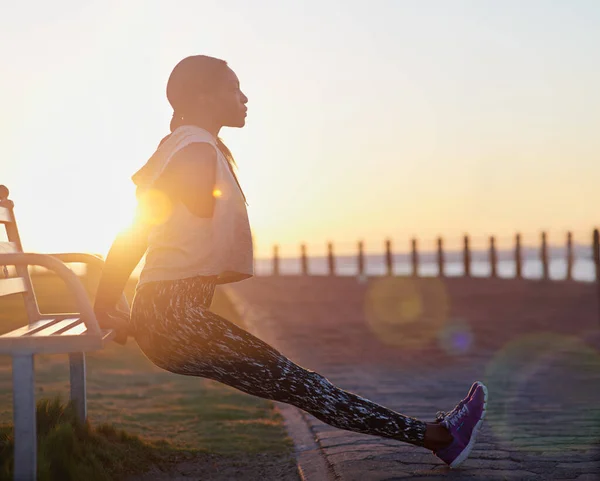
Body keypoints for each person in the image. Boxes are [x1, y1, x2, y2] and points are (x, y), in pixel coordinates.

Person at [93, 54, 488, 469]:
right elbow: (136, 229)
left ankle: (438, 436)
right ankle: (440, 435)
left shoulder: (196, 146)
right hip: (172, 317)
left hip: (172, 315)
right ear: (205, 97)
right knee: (305, 386)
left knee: (302, 387)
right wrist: (105, 304)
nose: (244, 97)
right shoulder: (193, 150)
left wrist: (128, 309)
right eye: (233, 88)